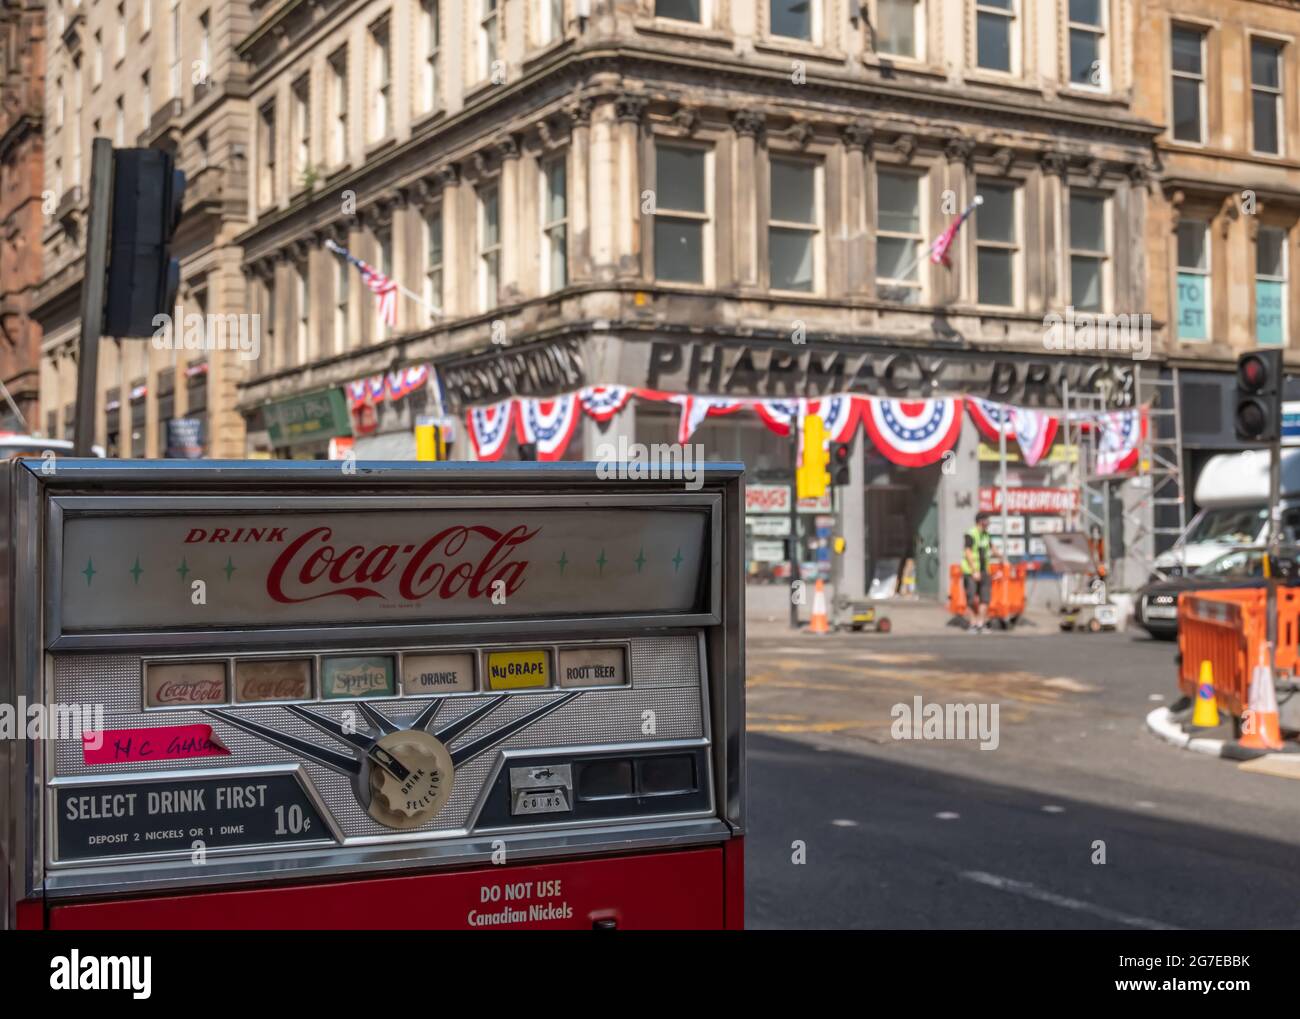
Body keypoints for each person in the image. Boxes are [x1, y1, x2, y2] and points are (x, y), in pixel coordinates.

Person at [962, 512, 994, 633]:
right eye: (987, 519)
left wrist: (1003, 559)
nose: (989, 522)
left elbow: (992, 548)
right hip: (971, 572)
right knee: (971, 599)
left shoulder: (986, 535)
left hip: (985, 571)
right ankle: (973, 624)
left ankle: (980, 623)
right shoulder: (971, 534)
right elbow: (968, 552)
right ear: (981, 521)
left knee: (985, 599)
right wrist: (974, 571)